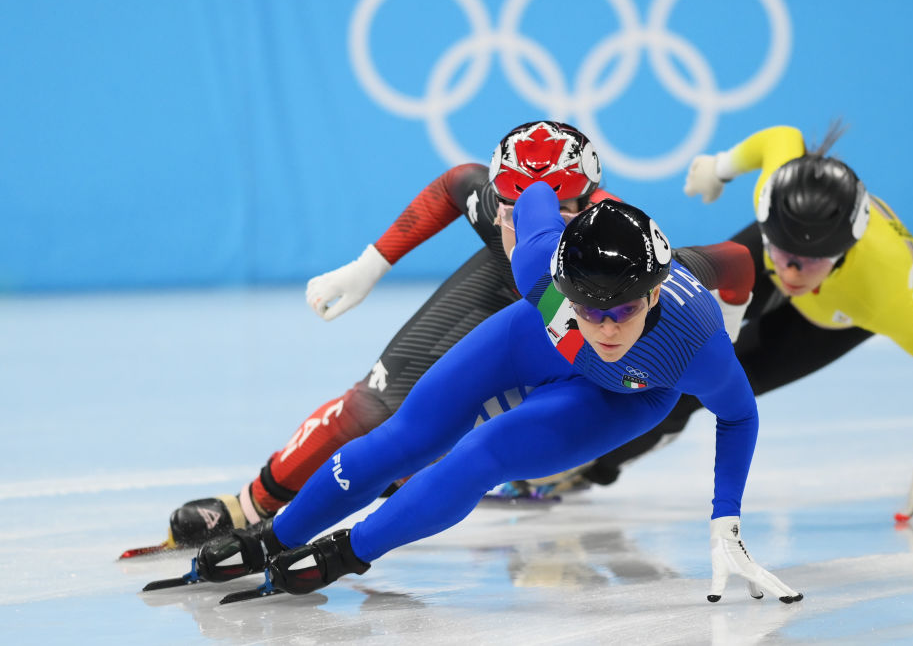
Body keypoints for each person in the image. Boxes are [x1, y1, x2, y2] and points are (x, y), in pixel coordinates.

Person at [185, 182, 802, 603]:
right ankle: (275, 534)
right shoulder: (538, 266)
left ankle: (347, 553)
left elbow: (739, 414)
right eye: (591, 309)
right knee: (402, 437)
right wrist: (536, 200)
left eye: (624, 309)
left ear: (656, 294)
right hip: (531, 337)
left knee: (481, 456)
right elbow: (532, 189)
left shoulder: (694, 347)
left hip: (624, 396)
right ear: (561, 283)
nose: (608, 326)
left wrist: (727, 524)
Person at [163, 121, 755, 548]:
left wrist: (720, 330)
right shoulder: (510, 219)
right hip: (511, 297)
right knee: (374, 407)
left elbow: (719, 266)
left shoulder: (613, 254)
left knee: (498, 435)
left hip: (572, 318)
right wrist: (368, 266)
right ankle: (252, 505)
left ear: (588, 203)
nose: (522, 220)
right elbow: (457, 184)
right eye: (509, 208)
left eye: (543, 209)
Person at [570, 124, 913, 526]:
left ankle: (587, 469)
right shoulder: (779, 195)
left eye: (811, 260)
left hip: (834, 316)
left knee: (693, 387)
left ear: (843, 250)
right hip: (772, 261)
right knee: (659, 317)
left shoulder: (880, 296)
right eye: (783, 253)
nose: (792, 273)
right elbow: (782, 138)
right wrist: (721, 167)